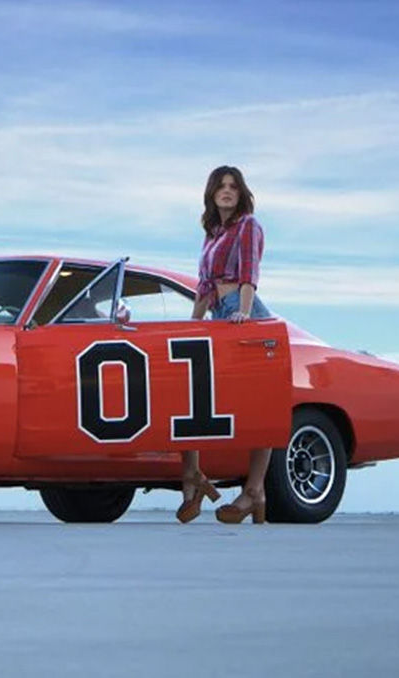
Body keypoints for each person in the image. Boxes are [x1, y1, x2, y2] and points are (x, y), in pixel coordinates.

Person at [176, 165, 273, 524]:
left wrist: (244, 314)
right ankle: (193, 476)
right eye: (221, 186)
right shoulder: (212, 232)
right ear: (212, 192)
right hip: (219, 315)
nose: (227, 191)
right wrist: (192, 327)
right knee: (195, 395)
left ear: (241, 192)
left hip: (241, 313)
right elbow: (204, 286)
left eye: (233, 186)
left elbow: (249, 271)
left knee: (260, 404)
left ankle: (254, 490)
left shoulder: (248, 225)